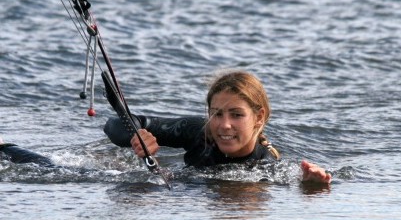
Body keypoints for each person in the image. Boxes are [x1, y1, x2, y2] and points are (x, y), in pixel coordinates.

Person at [104, 70, 332, 184]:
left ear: (259, 117)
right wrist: (136, 135)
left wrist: (311, 184)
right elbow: (112, 126)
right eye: (216, 114)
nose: (224, 125)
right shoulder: (198, 132)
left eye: (236, 115)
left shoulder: (268, 169)